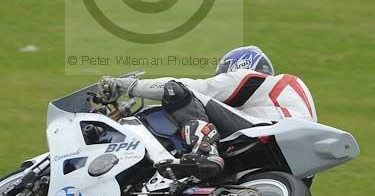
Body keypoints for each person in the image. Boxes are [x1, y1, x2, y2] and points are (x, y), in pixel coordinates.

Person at [96, 45, 317, 180]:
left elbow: (194, 88)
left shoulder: (254, 79)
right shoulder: (271, 99)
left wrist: (127, 86)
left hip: (268, 132)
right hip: (294, 168)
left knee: (178, 91)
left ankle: (204, 152)